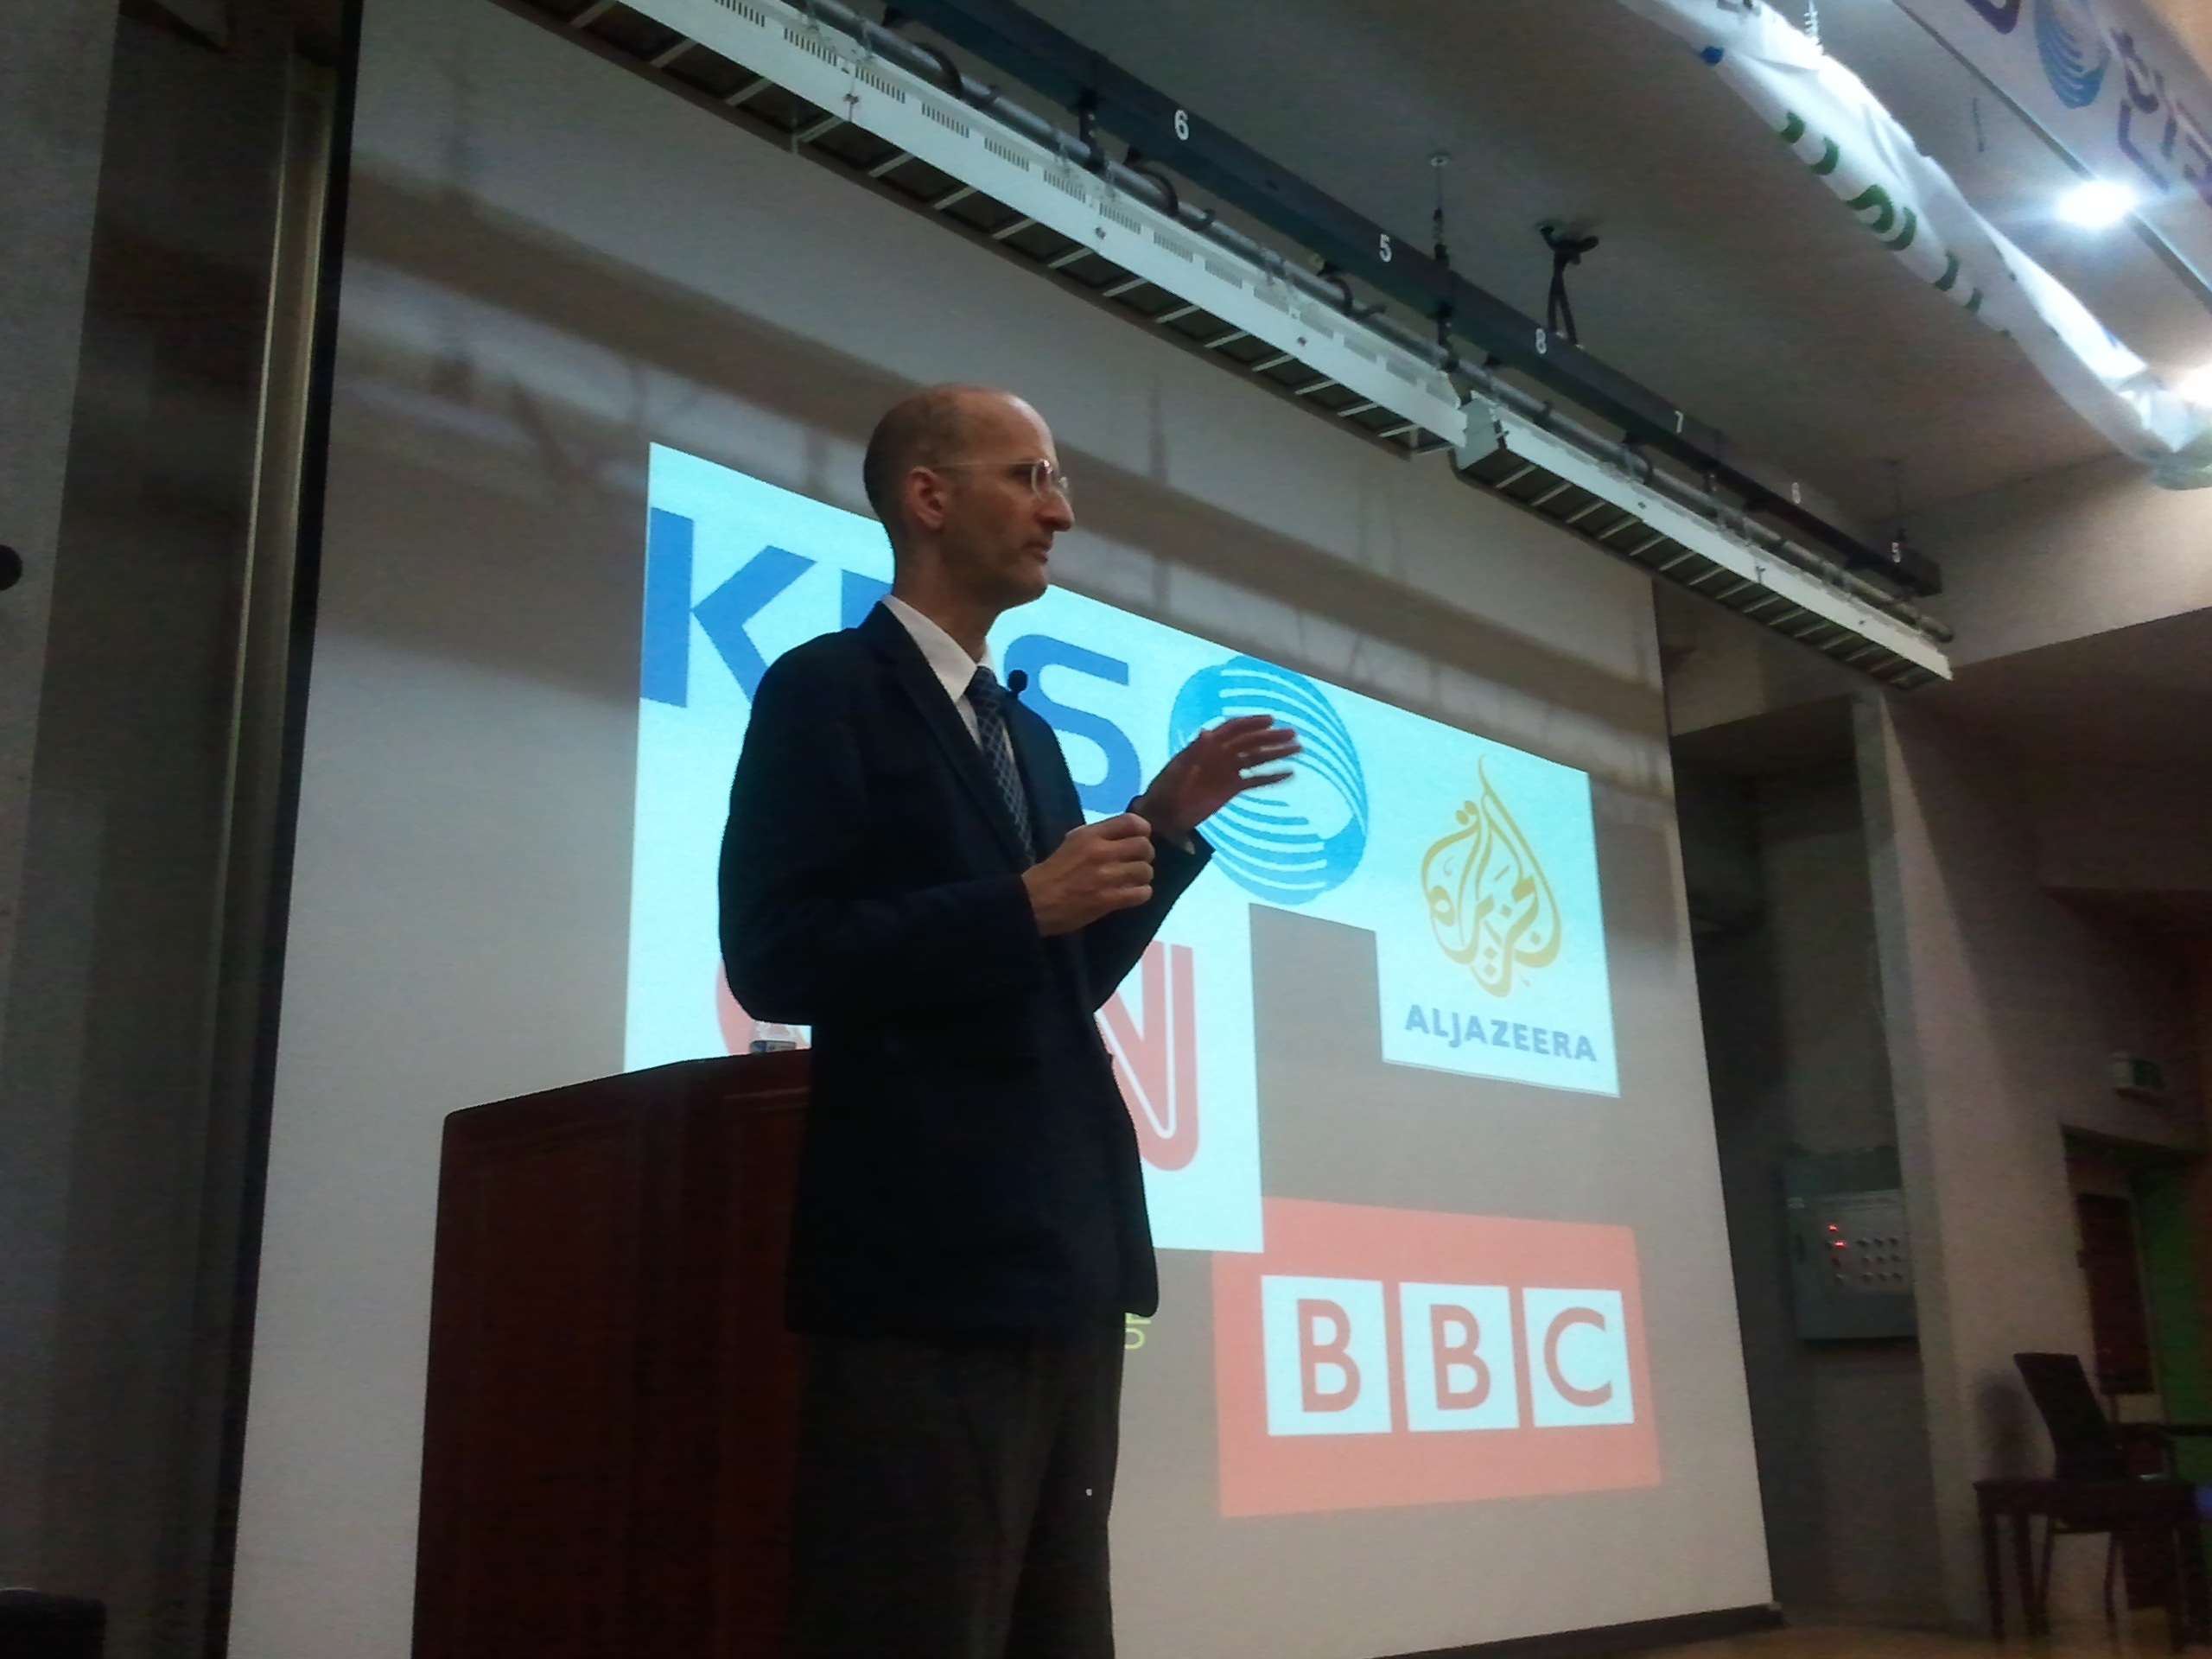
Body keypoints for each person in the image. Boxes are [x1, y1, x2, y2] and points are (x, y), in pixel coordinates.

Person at [719, 385, 1298, 1658]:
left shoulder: (1025, 733)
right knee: (916, 1626)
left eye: (1058, 480)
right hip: (926, 1267)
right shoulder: (828, 690)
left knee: (1057, 1629)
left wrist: (1163, 829)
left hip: (1065, 1259)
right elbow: (777, 955)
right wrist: (1019, 903)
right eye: (1030, 476)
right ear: (929, 496)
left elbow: (1053, 974)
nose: (1061, 512)